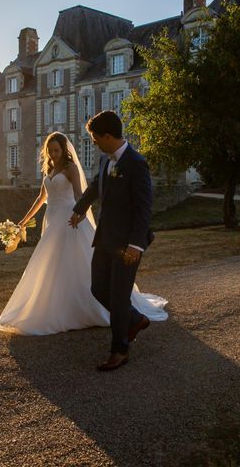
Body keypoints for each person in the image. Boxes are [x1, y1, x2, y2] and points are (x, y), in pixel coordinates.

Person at [0, 131, 167, 343]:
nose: (54, 155)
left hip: (69, 218)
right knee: (52, 264)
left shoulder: (71, 168)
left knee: (76, 262)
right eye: (50, 151)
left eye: (57, 151)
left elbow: (80, 194)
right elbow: (41, 198)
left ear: (64, 150)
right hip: (52, 218)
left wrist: (80, 213)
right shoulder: (49, 167)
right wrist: (23, 221)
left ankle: (97, 311)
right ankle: (56, 305)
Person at [69, 110, 157, 371]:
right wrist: (79, 208)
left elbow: (144, 208)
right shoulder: (106, 160)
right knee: (98, 288)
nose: (93, 142)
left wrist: (136, 245)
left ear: (107, 136)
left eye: (95, 138)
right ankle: (135, 319)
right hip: (105, 238)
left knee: (118, 297)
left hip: (128, 244)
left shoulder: (136, 163)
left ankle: (120, 350)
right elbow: (96, 186)